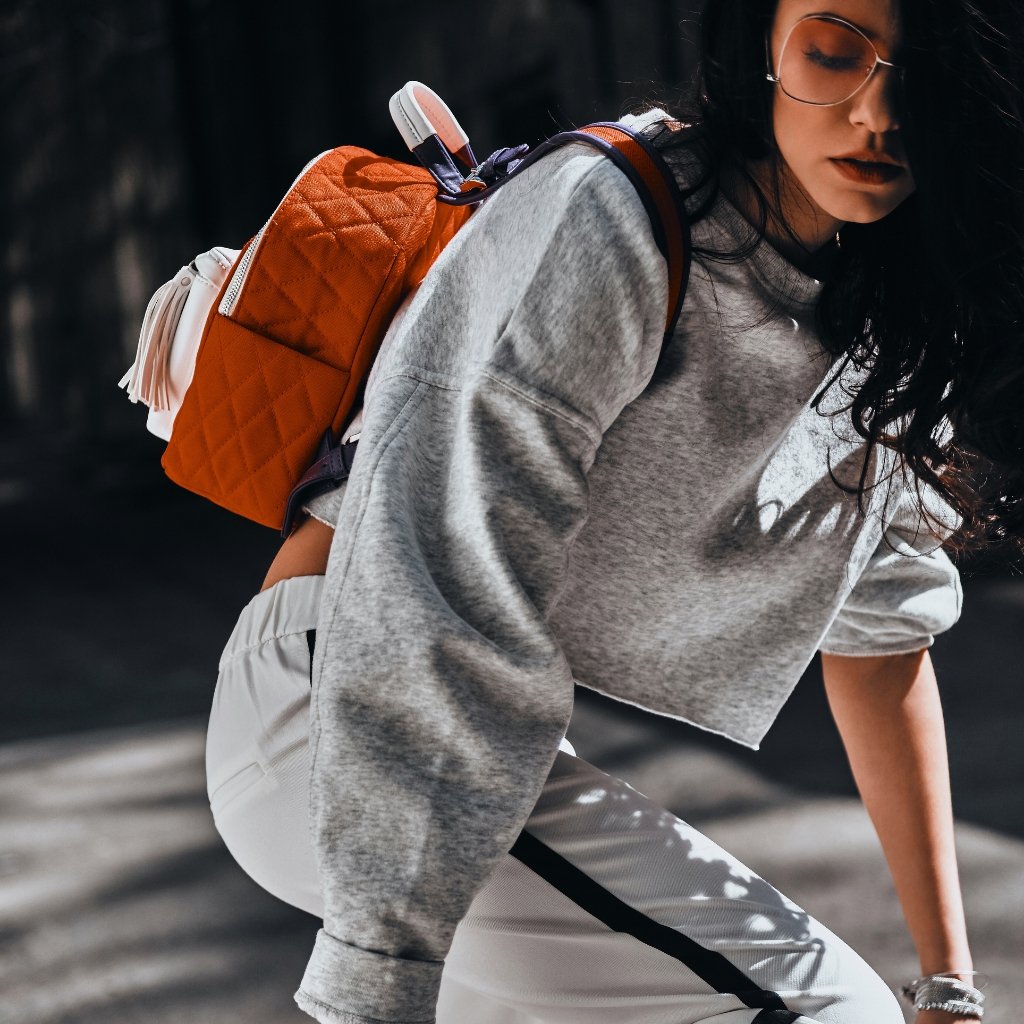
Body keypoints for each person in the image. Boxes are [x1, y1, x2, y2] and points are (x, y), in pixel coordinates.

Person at [204, 0, 1024, 1021]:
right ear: (757, 47)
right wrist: (377, 977)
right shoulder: (619, 213)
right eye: (831, 49)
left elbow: (881, 633)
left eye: (927, 71)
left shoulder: (885, 307)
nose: (880, 110)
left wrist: (948, 985)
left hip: (465, 740)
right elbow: (443, 586)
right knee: (822, 1012)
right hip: (336, 703)